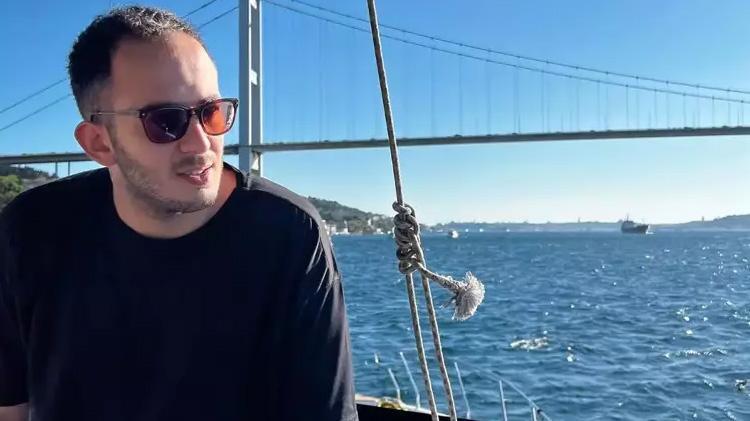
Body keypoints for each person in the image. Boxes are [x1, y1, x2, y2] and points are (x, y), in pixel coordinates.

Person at [0, 6, 358, 421]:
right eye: (166, 121)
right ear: (99, 143)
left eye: (212, 112)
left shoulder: (288, 233)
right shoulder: (32, 229)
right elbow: (10, 405)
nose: (201, 143)